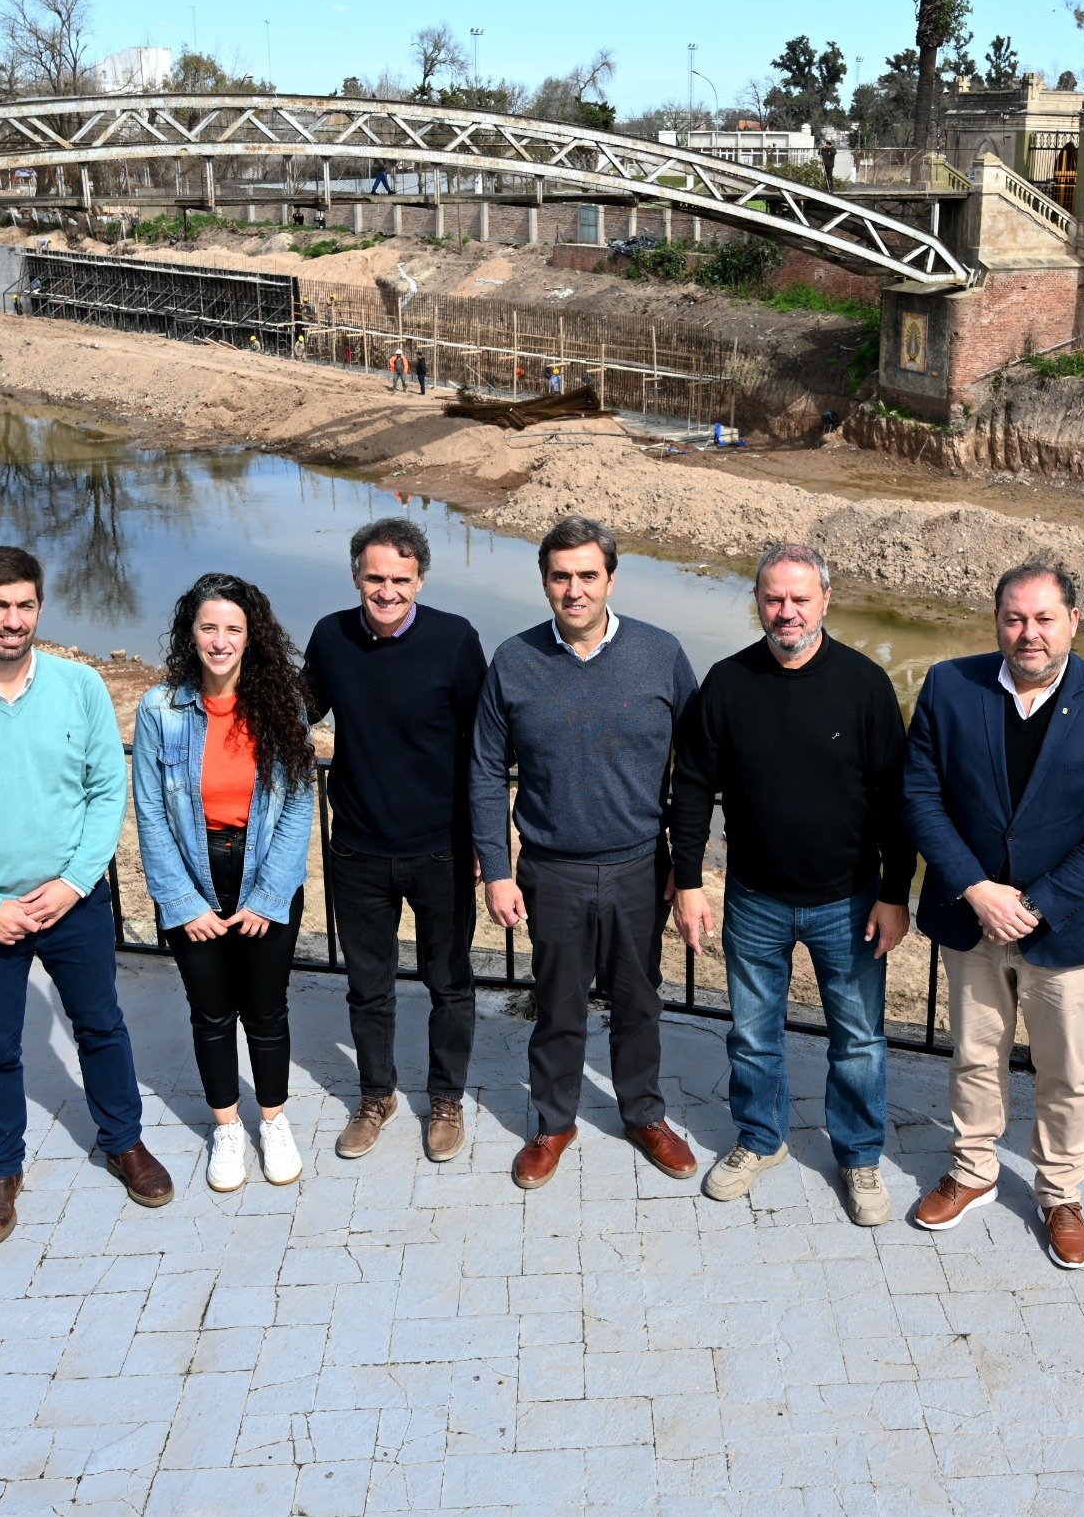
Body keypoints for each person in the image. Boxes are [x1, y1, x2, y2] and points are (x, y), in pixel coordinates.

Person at [0, 544, 166, 1245]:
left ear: (39, 607)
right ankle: (0, 1170)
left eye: (24, 605)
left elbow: (106, 790)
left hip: (74, 902)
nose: (12, 620)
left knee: (100, 1025)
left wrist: (74, 882)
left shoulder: (80, 687)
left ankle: (124, 1142)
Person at [902, 563, 1084, 1269]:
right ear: (997, 621)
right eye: (1015, 618)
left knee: (1066, 1072)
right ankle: (973, 1170)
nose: (1029, 633)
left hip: (1068, 929)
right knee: (973, 1054)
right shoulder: (950, 686)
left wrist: (1035, 904)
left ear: (1073, 620)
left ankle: (1059, 1194)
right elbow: (921, 796)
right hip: (972, 919)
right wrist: (976, 889)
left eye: (1044, 618)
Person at [669, 542, 913, 1226]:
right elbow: (692, 787)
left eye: (800, 598)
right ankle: (760, 1137)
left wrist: (896, 893)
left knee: (858, 1039)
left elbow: (897, 801)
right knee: (753, 1034)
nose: (786, 611)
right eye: (774, 598)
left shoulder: (865, 684)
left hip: (850, 900)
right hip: (754, 898)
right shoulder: (727, 683)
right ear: (757, 601)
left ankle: (859, 1154)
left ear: (825, 600)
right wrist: (688, 881)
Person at [474, 515, 699, 1190]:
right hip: (552, 871)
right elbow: (485, 770)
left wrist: (688, 867)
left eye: (587, 576)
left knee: (639, 1004)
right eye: (561, 577)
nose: (574, 590)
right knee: (558, 1006)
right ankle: (553, 1122)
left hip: (640, 868)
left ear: (611, 579)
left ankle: (644, 1114)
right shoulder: (514, 660)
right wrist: (497, 870)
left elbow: (697, 765)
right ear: (545, 582)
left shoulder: (660, 653)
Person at [303, 518, 488, 1164]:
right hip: (357, 849)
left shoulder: (455, 640)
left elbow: (485, 745)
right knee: (368, 987)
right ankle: (375, 1097)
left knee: (450, 984)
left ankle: (445, 1099)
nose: (387, 591)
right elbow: (299, 709)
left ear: (421, 580)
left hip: (441, 849)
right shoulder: (330, 636)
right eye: (375, 578)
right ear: (357, 575)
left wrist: (485, 843)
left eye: (400, 580)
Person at [132, 573, 317, 1194]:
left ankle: (274, 1120)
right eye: (208, 627)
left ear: (250, 635)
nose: (220, 640)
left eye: (233, 628)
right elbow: (151, 812)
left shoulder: (282, 705)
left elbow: (297, 805)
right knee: (211, 1012)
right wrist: (182, 902)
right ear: (190, 632)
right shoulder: (160, 709)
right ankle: (228, 1128)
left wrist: (269, 895)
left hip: (265, 870)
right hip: (194, 872)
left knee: (266, 1010)